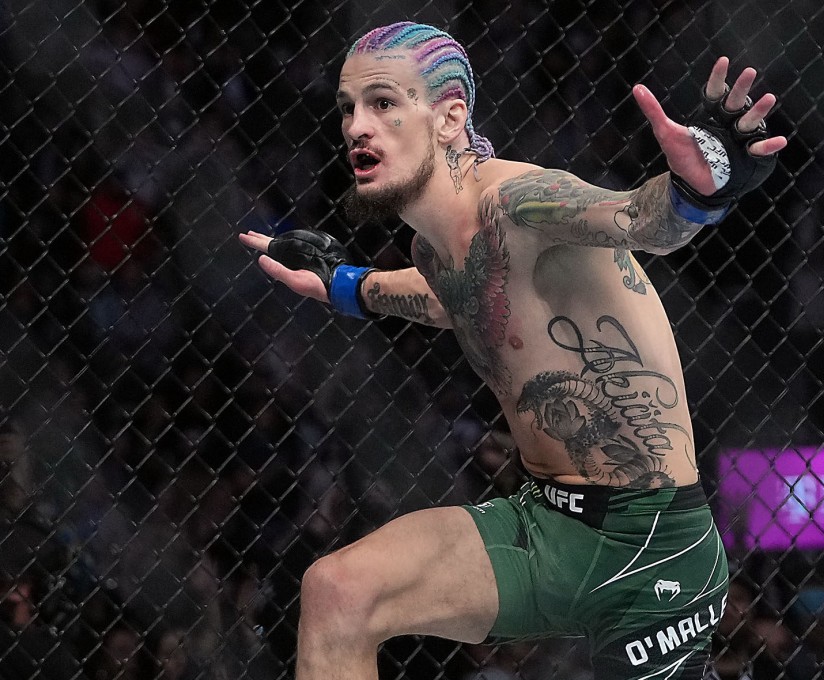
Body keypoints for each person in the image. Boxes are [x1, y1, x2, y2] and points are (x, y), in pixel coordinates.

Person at [240, 21, 785, 680]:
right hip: (548, 524)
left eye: (384, 103)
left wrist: (707, 182)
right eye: (349, 106)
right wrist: (344, 285)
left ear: (449, 120)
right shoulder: (432, 248)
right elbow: (454, 296)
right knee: (340, 592)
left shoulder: (518, 201)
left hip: (653, 544)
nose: (358, 125)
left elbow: (643, 220)